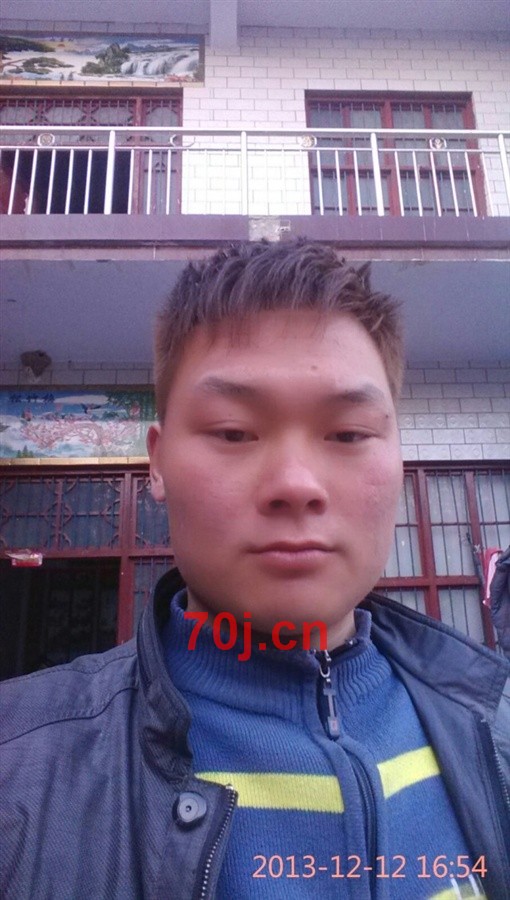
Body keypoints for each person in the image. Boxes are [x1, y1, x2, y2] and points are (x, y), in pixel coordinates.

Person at [1, 240, 509, 900]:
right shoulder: (19, 772)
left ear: (397, 456)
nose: (296, 484)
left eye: (348, 434)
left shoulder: (494, 726)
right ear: (157, 462)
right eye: (234, 431)